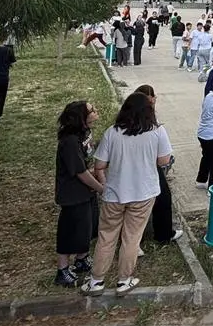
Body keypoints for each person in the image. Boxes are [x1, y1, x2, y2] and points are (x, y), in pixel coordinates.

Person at [81, 92, 172, 296]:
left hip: (115, 193)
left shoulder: (112, 132)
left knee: (106, 236)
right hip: (144, 193)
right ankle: (124, 280)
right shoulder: (157, 132)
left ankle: (96, 281)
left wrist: (105, 182)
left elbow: (100, 164)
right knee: (132, 238)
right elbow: (164, 161)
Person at [54, 100, 104, 287]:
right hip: (73, 194)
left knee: (87, 226)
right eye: (92, 110)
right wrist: (100, 188)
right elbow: (80, 172)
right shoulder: (70, 142)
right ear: (80, 117)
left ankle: (82, 259)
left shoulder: (85, 133)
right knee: (70, 230)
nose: (96, 112)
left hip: (86, 191)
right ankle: (62, 269)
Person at [133, 85, 182, 250]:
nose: (155, 100)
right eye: (153, 97)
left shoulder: (124, 119)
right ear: (149, 99)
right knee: (158, 199)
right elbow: (163, 160)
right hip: (149, 165)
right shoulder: (154, 127)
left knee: (138, 203)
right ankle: (159, 235)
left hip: (132, 166)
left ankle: (139, 240)